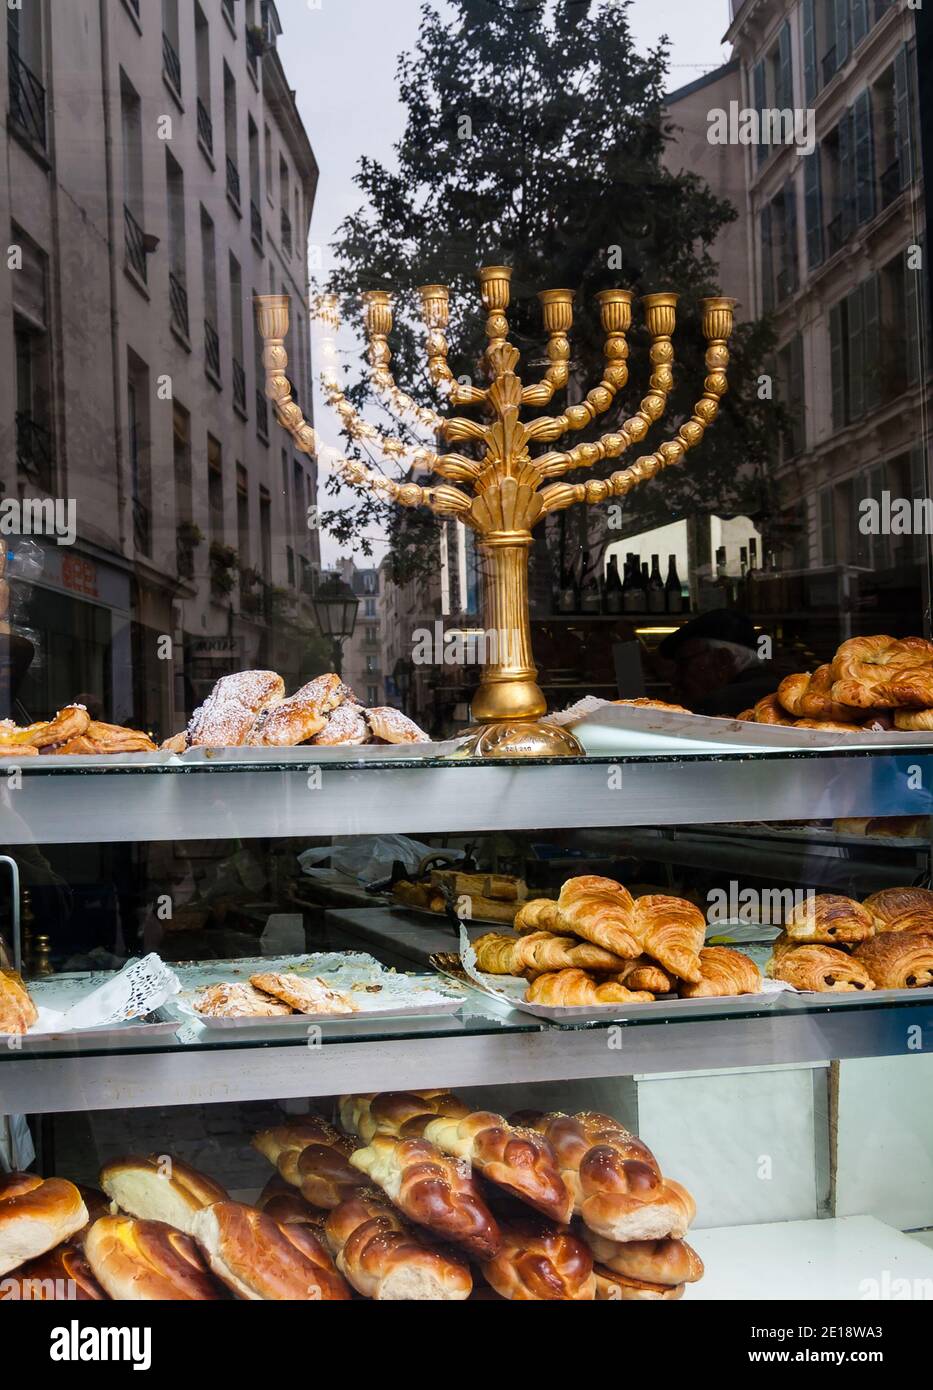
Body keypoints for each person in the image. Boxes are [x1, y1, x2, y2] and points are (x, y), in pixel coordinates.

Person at [657, 611, 788, 718]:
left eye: (684, 663)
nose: (677, 678)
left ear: (722, 660)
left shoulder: (719, 703)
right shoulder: (781, 690)